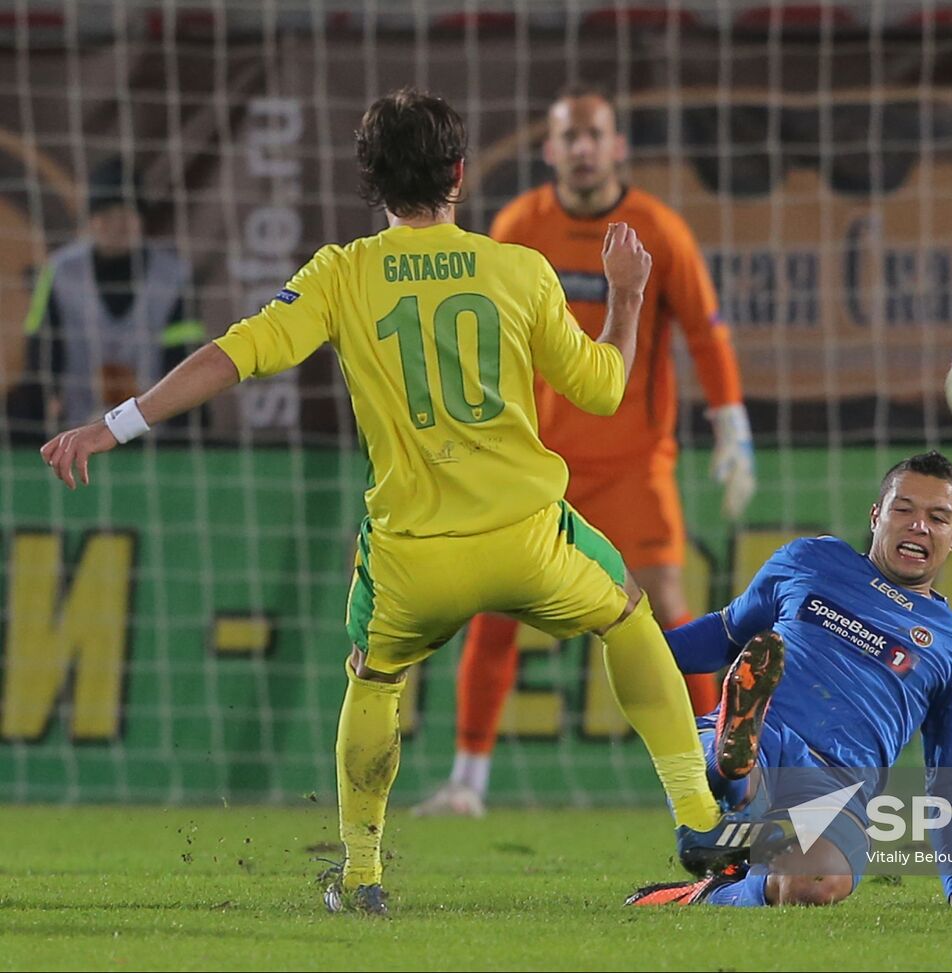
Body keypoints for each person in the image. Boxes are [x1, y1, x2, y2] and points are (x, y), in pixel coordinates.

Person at [39, 87, 742, 916]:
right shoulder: (518, 267)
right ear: (460, 172)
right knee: (627, 615)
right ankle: (699, 819)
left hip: (414, 557)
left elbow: (235, 356)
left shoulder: (341, 274)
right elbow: (603, 388)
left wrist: (113, 424)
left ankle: (364, 875)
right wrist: (625, 296)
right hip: (528, 539)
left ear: (369, 179)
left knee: (373, 677)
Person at [414, 83, 754, 818]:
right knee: (496, 609)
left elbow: (706, 330)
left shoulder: (658, 229)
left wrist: (733, 427)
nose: (582, 148)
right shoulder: (519, 223)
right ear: (549, 150)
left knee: (666, 607)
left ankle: (712, 771)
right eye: (568, 136)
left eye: (593, 134)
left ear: (617, 146)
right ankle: (467, 782)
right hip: (538, 460)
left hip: (635, 462)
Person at [625, 451, 952, 908]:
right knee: (742, 790)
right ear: (876, 515)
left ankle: (710, 885)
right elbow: (724, 633)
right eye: (904, 509)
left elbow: (951, 783)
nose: (919, 525)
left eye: (937, 518)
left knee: (813, 884)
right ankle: (734, 767)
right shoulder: (812, 560)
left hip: (837, 785)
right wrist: (631, 640)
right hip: (768, 737)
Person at [6, 156, 203, 441]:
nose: (118, 225)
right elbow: (42, 356)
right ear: (90, 221)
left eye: (126, 214)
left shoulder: (173, 276)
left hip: (158, 436)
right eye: (107, 214)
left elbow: (186, 356)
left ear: (141, 219)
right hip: (78, 432)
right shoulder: (61, 272)